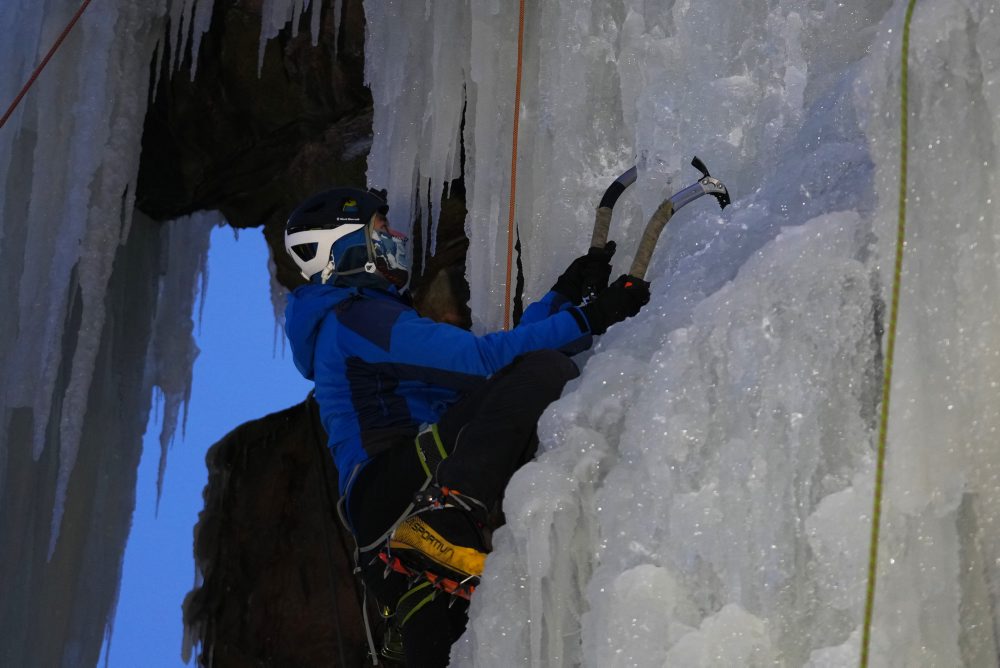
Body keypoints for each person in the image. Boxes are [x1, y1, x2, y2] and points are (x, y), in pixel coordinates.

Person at [283, 187, 650, 666]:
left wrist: (563, 295)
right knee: (543, 372)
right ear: (344, 245)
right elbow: (485, 363)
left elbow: (492, 382)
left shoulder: (360, 320)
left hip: (387, 536)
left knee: (452, 639)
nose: (393, 238)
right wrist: (592, 316)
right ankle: (452, 515)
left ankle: (443, 540)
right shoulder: (357, 316)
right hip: (397, 487)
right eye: (378, 230)